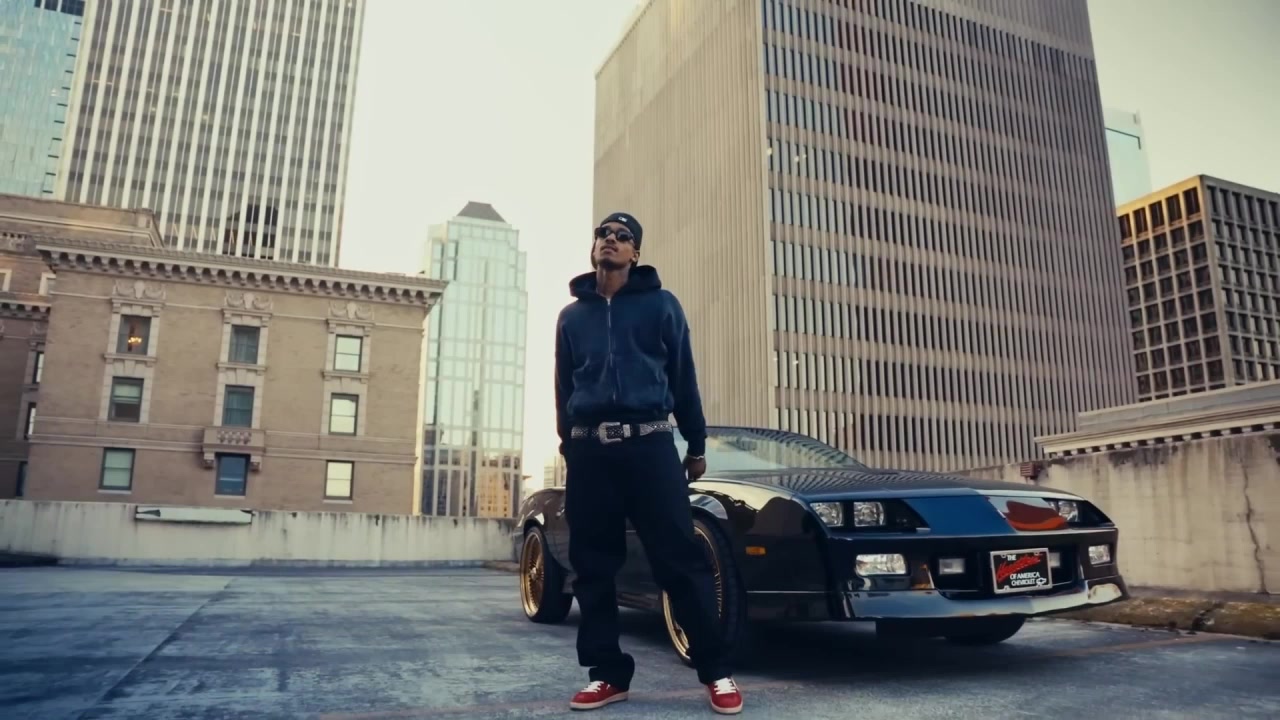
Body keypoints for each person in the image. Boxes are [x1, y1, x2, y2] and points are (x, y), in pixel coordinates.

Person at [554, 212, 743, 715]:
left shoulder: (662, 305)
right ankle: (607, 674)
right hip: (591, 452)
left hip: (650, 445)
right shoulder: (571, 317)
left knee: (679, 560)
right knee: (592, 567)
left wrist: (696, 445)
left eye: (623, 237)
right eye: (604, 234)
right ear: (594, 246)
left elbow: (683, 377)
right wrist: (571, 447)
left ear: (635, 253)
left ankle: (716, 670)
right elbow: (564, 388)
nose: (611, 241)